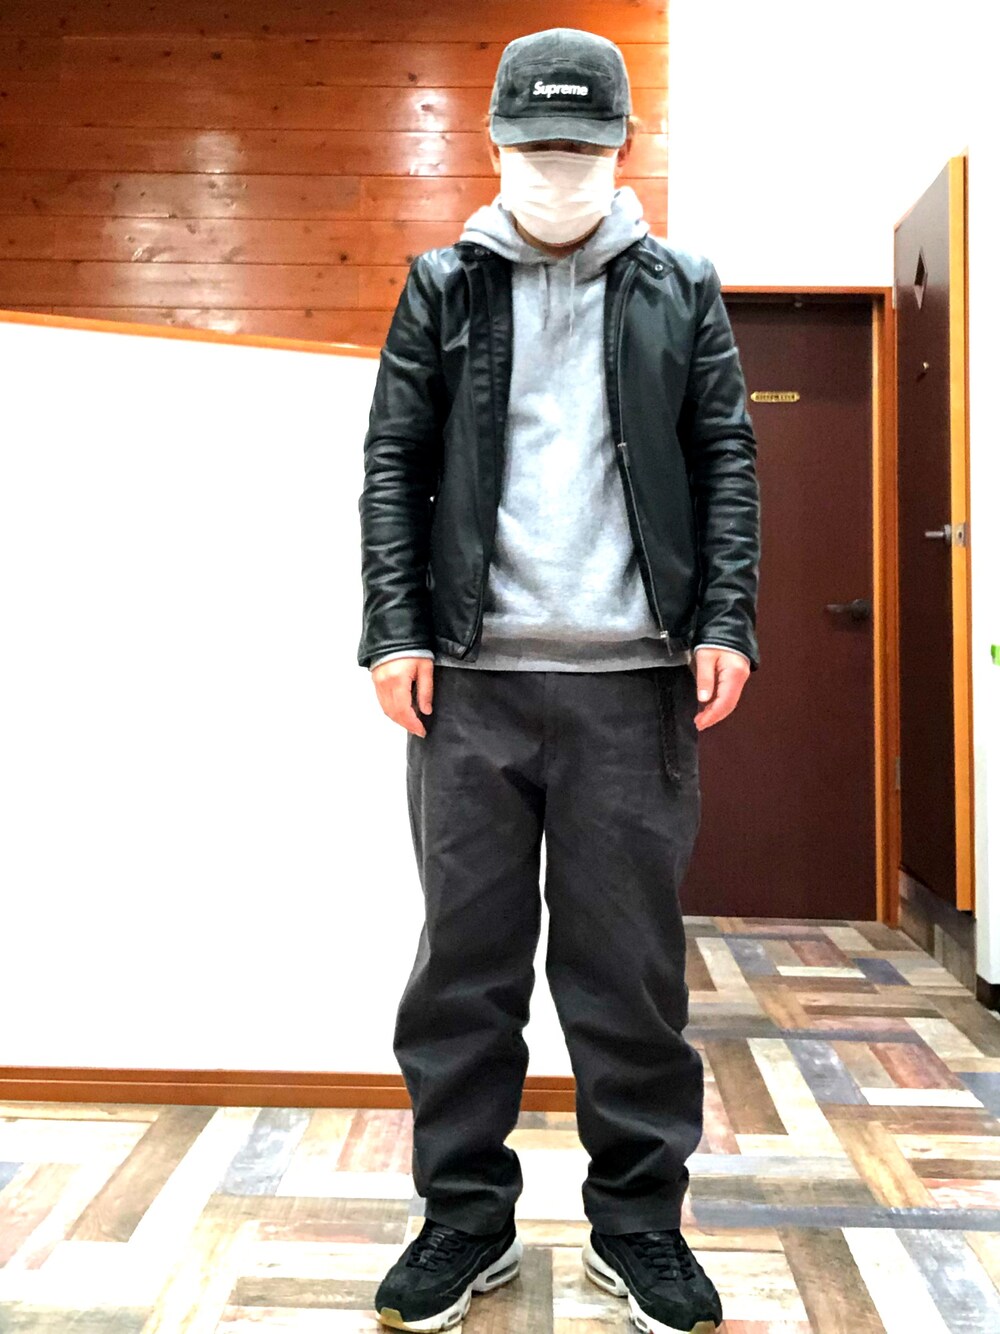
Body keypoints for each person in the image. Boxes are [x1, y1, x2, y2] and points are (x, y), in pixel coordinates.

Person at [357, 26, 760, 1334]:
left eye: (582, 146)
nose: (557, 165)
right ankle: (463, 1219)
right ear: (494, 143)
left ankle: (638, 1227)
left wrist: (728, 618)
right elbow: (394, 460)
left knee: (628, 973)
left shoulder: (680, 286)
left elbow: (726, 456)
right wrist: (395, 631)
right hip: (469, 685)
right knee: (462, 971)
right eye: (534, 144)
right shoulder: (443, 285)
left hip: (635, 688)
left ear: (623, 146)